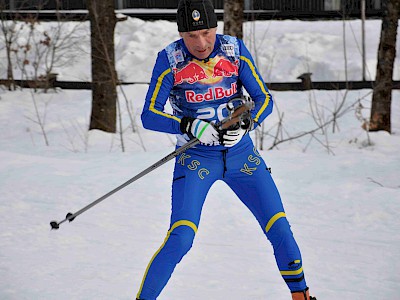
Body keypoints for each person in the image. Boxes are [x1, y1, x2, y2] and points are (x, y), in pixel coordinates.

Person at [137, 1, 315, 299]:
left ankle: (302, 296)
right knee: (181, 238)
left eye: (206, 33)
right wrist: (188, 125)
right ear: (181, 34)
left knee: (280, 229)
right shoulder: (169, 59)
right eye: (191, 36)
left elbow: (263, 99)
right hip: (196, 158)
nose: (201, 43)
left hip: (241, 155)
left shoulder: (233, 50)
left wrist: (247, 123)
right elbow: (149, 114)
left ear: (215, 28)